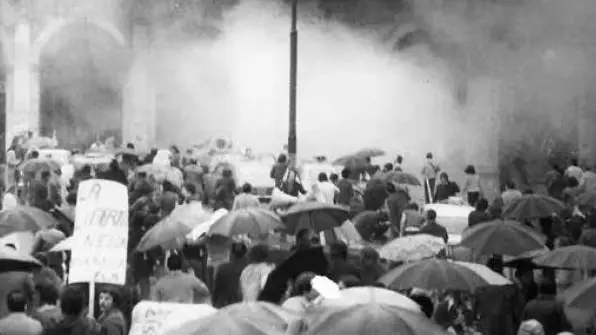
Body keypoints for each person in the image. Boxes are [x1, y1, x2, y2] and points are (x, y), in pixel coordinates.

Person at [212, 242, 248, 308]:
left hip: (227, 305)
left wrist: (214, 303)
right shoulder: (250, 268)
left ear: (232, 254)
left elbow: (217, 289)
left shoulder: (223, 268)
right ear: (246, 254)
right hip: (246, 305)